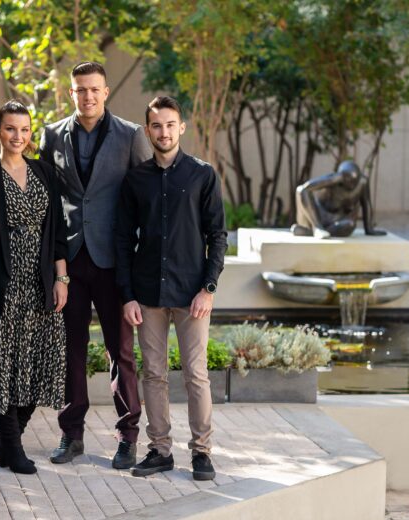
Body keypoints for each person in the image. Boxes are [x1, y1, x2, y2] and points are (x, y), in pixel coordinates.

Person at [39, 61, 151, 469]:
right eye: (80, 89)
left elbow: (145, 198)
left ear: (105, 92)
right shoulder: (52, 135)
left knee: (121, 352)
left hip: (114, 261)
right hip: (69, 260)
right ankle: (71, 435)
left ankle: (127, 437)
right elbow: (47, 201)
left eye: (94, 89)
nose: (87, 96)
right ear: (70, 93)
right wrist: (52, 265)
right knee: (70, 351)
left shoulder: (130, 135)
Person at [115, 96, 227, 481]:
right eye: (156, 126)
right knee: (153, 373)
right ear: (148, 131)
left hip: (192, 294)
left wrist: (208, 288)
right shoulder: (136, 180)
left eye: (169, 124)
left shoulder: (202, 175)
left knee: (196, 374)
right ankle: (160, 450)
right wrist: (128, 294)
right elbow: (122, 240)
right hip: (147, 294)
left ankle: (202, 453)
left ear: (181, 127)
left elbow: (218, 236)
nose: (163, 132)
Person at [0, 100, 69, 474]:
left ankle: (7, 438)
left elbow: (58, 231)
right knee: (2, 365)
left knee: (40, 364)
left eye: (24, 129)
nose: (17, 136)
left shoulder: (44, 173)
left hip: (40, 283)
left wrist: (62, 278)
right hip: (0, 285)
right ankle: (13, 448)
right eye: (10, 129)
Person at [291, 160, 386, 239]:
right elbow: (304, 189)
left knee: (350, 224)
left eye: (354, 181)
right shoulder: (333, 179)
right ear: (341, 176)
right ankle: (317, 229)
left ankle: (311, 232)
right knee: (300, 190)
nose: (352, 185)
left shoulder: (363, 183)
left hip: (335, 222)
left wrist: (369, 229)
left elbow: (366, 204)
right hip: (315, 217)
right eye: (348, 180)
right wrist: (333, 179)